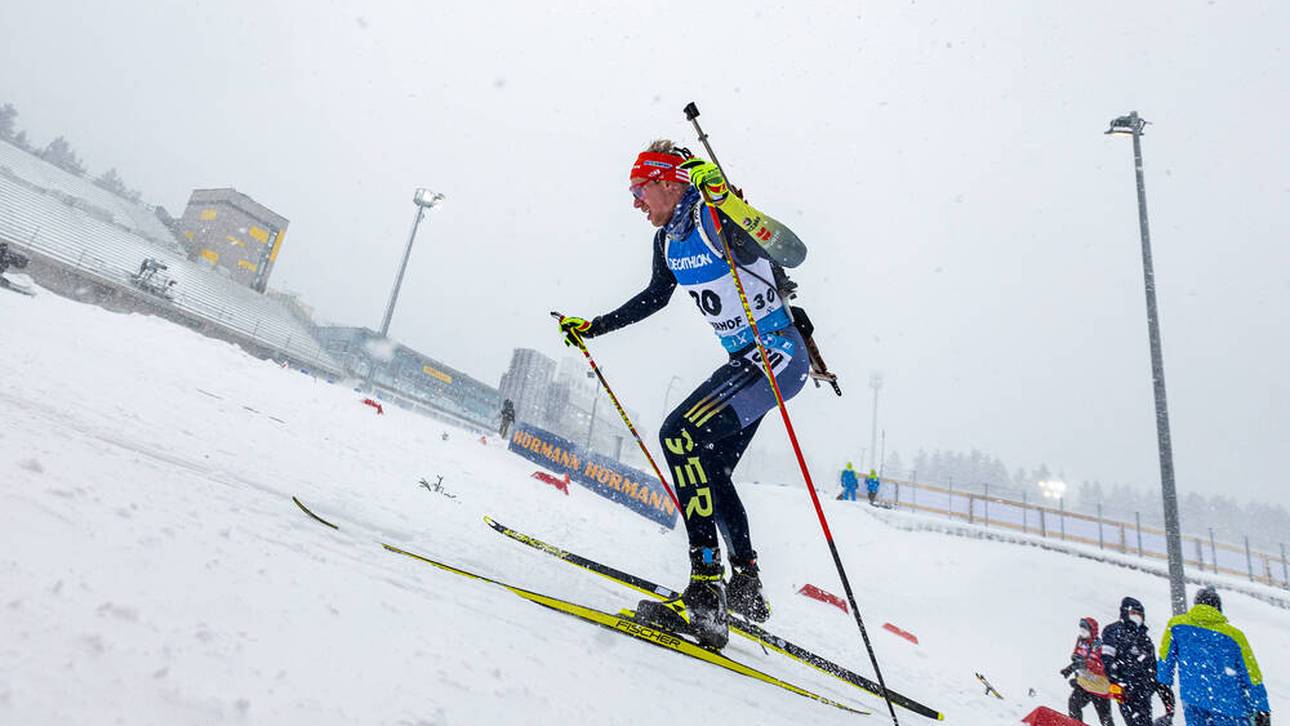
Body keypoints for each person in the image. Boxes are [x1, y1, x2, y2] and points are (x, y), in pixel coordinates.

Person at [557, 140, 810, 649]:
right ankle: (745, 586)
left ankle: (704, 591)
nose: (635, 202)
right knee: (709, 466)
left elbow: (792, 252)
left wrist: (732, 204)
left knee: (679, 433)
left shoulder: (717, 218)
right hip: (747, 360)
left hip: (775, 354)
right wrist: (595, 327)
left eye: (639, 190)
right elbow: (655, 297)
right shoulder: (667, 241)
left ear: (669, 182)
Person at [1157, 587, 1270, 726]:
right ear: (1218, 607)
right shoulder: (1234, 636)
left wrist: (1164, 684)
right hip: (1230, 705)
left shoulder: (1177, 626)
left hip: (1193, 699)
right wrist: (1261, 707)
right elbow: (1252, 674)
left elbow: (1164, 658)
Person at [1103, 596, 1173, 726]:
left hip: (1144, 691)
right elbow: (1108, 661)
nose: (1137, 616)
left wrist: (1162, 690)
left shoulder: (1145, 639)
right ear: (1125, 612)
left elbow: (1153, 668)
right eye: (1133, 613)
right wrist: (1119, 681)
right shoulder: (1113, 631)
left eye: (1140, 614)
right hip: (1126, 691)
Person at [1061, 616, 1115, 726]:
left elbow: (1101, 665)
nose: (1082, 632)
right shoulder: (1081, 641)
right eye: (1081, 630)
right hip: (1084, 684)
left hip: (1099, 687)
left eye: (1085, 630)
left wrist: (1086, 663)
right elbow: (1077, 656)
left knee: (1105, 718)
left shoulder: (1100, 646)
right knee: (1073, 704)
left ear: (1092, 631)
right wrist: (1071, 668)